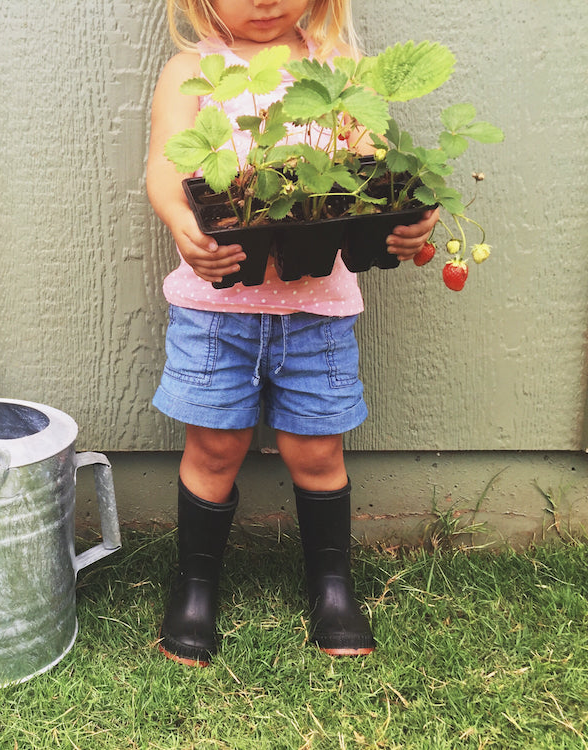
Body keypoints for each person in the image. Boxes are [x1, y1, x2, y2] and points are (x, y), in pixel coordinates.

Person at [146, 0, 439, 667]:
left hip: (318, 310)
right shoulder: (193, 71)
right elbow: (167, 168)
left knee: (316, 451)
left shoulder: (340, 74)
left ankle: (331, 588)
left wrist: (407, 209)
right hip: (215, 308)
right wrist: (180, 222)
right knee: (214, 446)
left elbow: (371, 168)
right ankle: (194, 589)